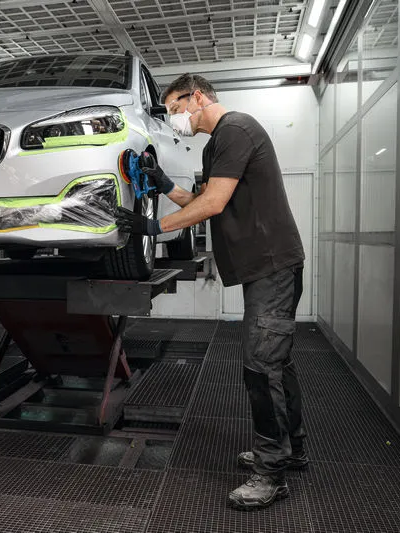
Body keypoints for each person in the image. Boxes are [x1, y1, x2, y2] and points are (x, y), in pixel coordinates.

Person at [116, 73, 307, 510]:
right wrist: (162, 182)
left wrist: (152, 227)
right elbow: (199, 202)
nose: (174, 119)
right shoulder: (216, 143)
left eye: (174, 109)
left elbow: (213, 203)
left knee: (261, 368)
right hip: (267, 267)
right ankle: (289, 450)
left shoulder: (236, 129)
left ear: (197, 97)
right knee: (277, 365)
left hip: (273, 267)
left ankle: (271, 473)